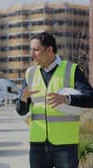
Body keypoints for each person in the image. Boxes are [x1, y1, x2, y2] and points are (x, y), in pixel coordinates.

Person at [16, 32, 93, 168]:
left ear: (50, 50)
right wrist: (22, 99)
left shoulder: (71, 70)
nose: (32, 54)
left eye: (36, 50)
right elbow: (21, 111)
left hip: (65, 145)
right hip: (37, 144)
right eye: (31, 50)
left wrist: (67, 99)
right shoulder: (30, 73)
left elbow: (90, 98)